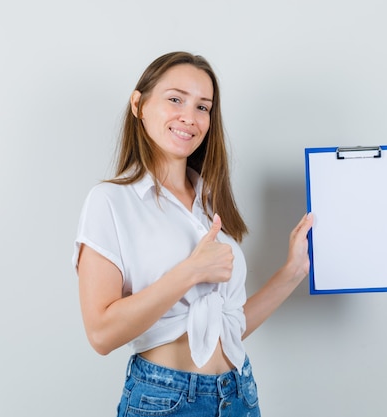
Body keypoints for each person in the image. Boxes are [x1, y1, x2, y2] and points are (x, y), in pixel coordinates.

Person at [73, 51, 313, 417]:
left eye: (204, 107)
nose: (190, 117)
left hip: (238, 395)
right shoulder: (110, 202)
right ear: (138, 104)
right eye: (175, 99)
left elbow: (228, 328)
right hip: (164, 399)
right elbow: (101, 334)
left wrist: (292, 271)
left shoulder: (209, 204)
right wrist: (191, 271)